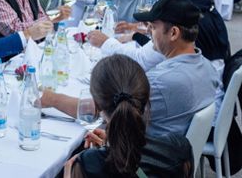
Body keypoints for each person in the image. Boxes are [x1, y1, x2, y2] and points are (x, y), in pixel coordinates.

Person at [42, 0, 221, 138]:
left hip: (145, 164)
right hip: (175, 157)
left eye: (152, 27)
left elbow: (96, 110)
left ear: (173, 33)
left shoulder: (159, 82)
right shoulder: (207, 68)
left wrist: (51, 99)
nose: (149, 33)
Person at [89, 0, 230, 71]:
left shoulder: (181, 16)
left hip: (190, 96)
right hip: (209, 93)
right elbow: (161, 50)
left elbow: (141, 60)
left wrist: (105, 42)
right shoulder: (210, 10)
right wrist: (135, 35)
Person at [64, 55, 193, 178]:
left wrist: (70, 171)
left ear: (97, 105)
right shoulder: (178, 149)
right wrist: (114, 146)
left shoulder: (89, 164)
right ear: (146, 99)